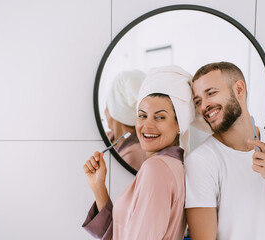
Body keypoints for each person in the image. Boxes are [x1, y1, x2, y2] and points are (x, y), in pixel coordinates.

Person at [185, 62, 265, 240]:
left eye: (211, 93)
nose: (204, 106)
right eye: (198, 101)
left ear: (239, 90)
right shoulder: (201, 160)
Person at [82, 66, 195, 239]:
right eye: (142, 115)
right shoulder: (172, 166)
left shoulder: (157, 169)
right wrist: (98, 187)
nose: (147, 126)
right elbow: (123, 233)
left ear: (179, 124)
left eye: (160, 117)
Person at [104, 70, 146, 170]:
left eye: (107, 105)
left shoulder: (133, 155)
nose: (104, 111)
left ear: (115, 111)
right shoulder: (110, 137)